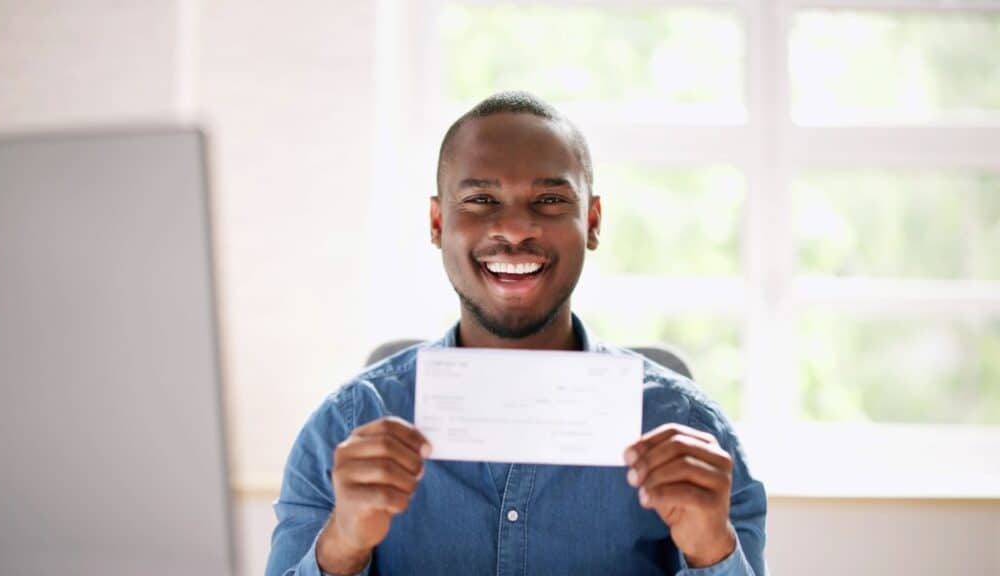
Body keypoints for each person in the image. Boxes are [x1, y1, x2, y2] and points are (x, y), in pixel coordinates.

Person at [265, 92, 766, 576]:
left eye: (549, 200)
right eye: (481, 199)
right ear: (438, 222)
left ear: (591, 222)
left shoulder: (697, 439)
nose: (515, 229)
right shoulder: (342, 430)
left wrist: (710, 552)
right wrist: (342, 547)